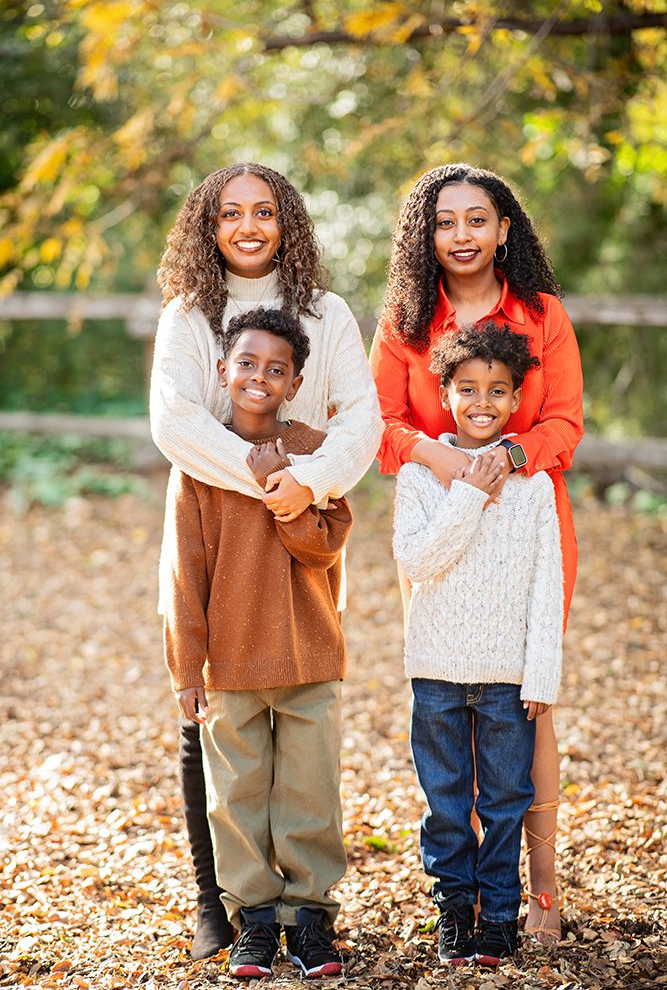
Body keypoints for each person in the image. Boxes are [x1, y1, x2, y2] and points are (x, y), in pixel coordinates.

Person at [151, 163, 383, 960]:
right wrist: (261, 474)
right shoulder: (190, 314)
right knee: (229, 759)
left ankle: (307, 910)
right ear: (207, 226)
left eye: (264, 211)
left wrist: (303, 483)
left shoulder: (327, 313)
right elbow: (175, 420)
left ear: (288, 220)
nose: (247, 226)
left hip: (300, 545)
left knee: (306, 769)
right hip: (217, 528)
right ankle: (235, 911)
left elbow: (360, 420)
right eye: (229, 213)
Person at [370, 163, 583, 943]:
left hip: (526, 520)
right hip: (437, 520)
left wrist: (508, 459)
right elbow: (382, 426)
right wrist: (445, 460)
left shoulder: (540, 314)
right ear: (424, 235)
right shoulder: (401, 320)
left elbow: (563, 421)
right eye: (443, 222)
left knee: (528, 701)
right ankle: (462, 898)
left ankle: (541, 892)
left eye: (475, 220)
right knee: (446, 704)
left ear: (502, 229)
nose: (459, 235)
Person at [163, 307, 352, 979]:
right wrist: (187, 668)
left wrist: (287, 493)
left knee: (309, 793)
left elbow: (324, 548)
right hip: (232, 660)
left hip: (310, 653)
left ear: (294, 382)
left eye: (276, 370)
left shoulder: (315, 449)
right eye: (246, 364)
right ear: (223, 371)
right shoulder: (198, 459)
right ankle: (254, 920)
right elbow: (184, 575)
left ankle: (308, 918)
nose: (258, 378)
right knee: (236, 797)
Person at [393, 321, 563, 966]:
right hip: (435, 667)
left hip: (507, 675)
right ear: (445, 392)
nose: (483, 402)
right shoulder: (420, 478)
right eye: (468, 389)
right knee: (445, 800)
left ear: (517, 398)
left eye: (497, 390)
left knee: (503, 800)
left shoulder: (536, 486)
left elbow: (548, 583)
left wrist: (541, 674)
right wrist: (467, 492)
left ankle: (498, 915)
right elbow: (419, 560)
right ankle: (453, 906)